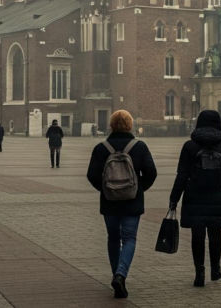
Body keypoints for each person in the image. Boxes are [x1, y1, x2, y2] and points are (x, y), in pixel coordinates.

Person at [86, 109, 157, 300]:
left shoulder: (101, 148)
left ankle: (116, 274)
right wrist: (138, 189)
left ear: (111, 125)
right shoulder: (139, 146)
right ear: (130, 125)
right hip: (132, 201)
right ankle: (121, 274)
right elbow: (151, 173)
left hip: (110, 201)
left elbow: (91, 175)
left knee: (112, 238)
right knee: (129, 238)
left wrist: (106, 189)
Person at [169, 110, 221, 287]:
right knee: (215, 234)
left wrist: (174, 198)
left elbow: (182, 175)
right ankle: (215, 269)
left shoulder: (190, 146)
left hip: (194, 195)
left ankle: (199, 272)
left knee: (197, 235)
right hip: (217, 196)